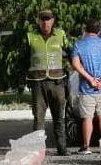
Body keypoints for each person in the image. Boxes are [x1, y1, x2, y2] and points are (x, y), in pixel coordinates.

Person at [25, 9, 71, 156]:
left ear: (53, 21)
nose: (45, 22)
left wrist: (68, 70)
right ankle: (39, 151)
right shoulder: (30, 37)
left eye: (48, 19)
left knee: (59, 117)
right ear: (38, 20)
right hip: (37, 83)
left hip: (57, 82)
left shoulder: (61, 35)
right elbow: (23, 59)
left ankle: (62, 149)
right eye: (43, 19)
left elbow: (70, 53)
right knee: (38, 118)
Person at [69, 18, 101, 154]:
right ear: (99, 31)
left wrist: (90, 79)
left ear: (85, 29)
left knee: (87, 118)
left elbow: (75, 64)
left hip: (86, 88)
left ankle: (86, 146)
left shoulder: (79, 45)